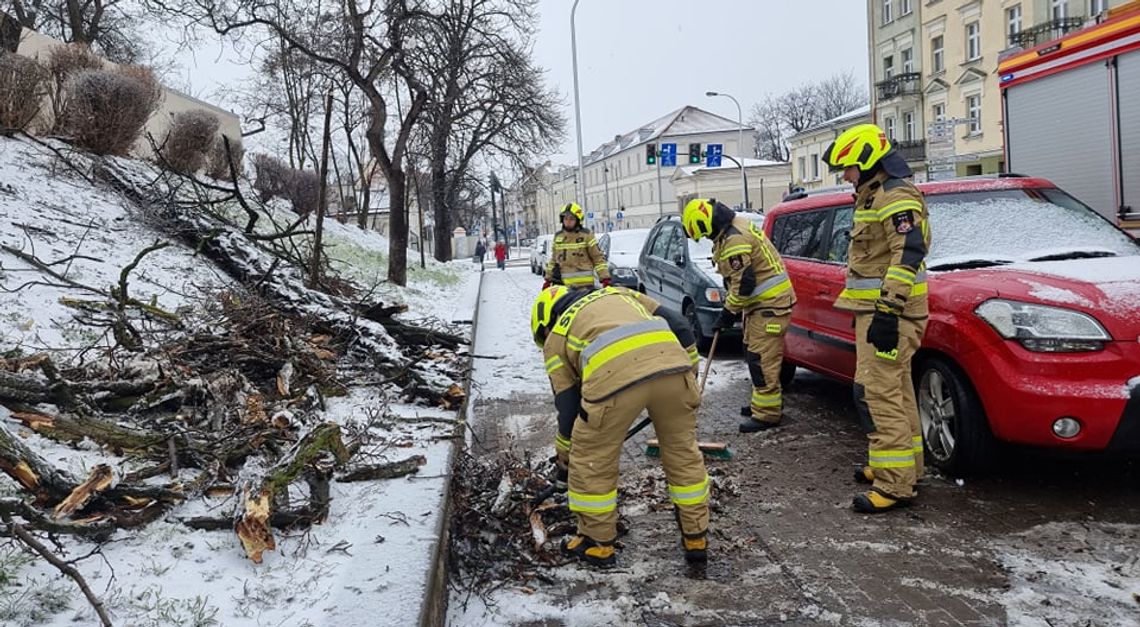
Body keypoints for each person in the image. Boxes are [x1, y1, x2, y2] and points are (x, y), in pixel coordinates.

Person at [531, 285, 707, 567]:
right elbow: (680, 324)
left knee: (593, 459)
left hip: (613, 384)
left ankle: (597, 545)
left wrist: (566, 458)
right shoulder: (620, 293)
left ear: (545, 321)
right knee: (683, 453)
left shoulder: (555, 338)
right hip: (675, 370)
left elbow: (568, 409)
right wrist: (690, 373)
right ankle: (696, 537)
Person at [822, 123, 930, 514]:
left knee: (877, 393)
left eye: (848, 168)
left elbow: (909, 252)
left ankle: (895, 484)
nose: (846, 176)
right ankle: (906, 467)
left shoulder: (894, 196)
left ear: (867, 163)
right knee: (897, 392)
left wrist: (887, 309)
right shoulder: (874, 195)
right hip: (883, 313)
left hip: (892, 314)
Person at [681, 198, 796, 433]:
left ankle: (767, 414)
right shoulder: (731, 228)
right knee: (753, 355)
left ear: (707, 225)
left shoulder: (734, 238)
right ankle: (762, 404)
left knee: (761, 360)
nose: (705, 239)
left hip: (770, 306)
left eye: (703, 235)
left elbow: (744, 282)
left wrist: (727, 313)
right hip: (760, 306)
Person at [543, 203, 611, 290]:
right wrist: (548, 280)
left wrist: (605, 278)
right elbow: (553, 260)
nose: (568, 221)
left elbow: (597, 258)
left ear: (578, 220)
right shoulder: (558, 237)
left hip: (584, 287)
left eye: (571, 219)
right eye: (565, 218)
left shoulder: (586, 236)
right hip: (563, 287)